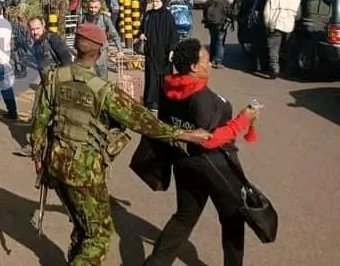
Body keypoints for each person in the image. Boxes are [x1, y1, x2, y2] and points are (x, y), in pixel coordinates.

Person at [30, 24, 210, 265]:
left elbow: (39, 121)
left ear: (75, 47)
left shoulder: (53, 78)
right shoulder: (104, 91)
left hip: (54, 163)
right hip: (85, 172)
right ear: (100, 51)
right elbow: (142, 121)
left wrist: (38, 158)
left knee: (83, 223)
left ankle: (75, 256)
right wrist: (182, 135)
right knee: (99, 236)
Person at [145, 38, 263, 266]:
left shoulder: (169, 86)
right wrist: (243, 119)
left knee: (184, 217)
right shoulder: (203, 98)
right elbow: (210, 139)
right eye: (206, 61)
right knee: (233, 220)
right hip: (217, 165)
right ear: (193, 67)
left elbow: (168, 124)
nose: (209, 65)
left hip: (184, 161)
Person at [14, 16, 74, 157]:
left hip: (58, 85)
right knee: (37, 114)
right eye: (32, 29)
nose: (35, 32)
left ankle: (55, 147)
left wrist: (64, 85)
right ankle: (36, 145)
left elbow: (67, 61)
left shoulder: (53, 39)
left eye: (37, 28)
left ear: (44, 26)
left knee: (57, 117)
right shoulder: (36, 43)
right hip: (45, 84)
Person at [140, 0, 180, 113]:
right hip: (151, 52)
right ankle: (151, 102)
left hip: (164, 53)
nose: (155, 4)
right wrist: (141, 34)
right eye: (153, 2)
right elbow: (142, 29)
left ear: (163, 3)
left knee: (164, 78)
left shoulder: (168, 17)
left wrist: (172, 50)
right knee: (151, 77)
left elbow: (173, 35)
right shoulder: (148, 15)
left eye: (157, 2)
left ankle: (164, 101)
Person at [262, 0, 300, 79]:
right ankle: (287, 69)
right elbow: (298, 16)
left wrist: (268, 25)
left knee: (273, 48)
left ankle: (275, 68)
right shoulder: (296, 0)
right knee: (287, 48)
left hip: (275, 26)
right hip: (289, 27)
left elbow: (266, 14)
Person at [82, 0, 122, 79]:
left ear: (100, 7)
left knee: (102, 77)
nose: (93, 10)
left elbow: (114, 34)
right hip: (87, 53)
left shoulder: (104, 19)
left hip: (101, 52)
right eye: (91, 7)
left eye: (95, 7)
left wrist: (120, 50)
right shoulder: (82, 18)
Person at [203, 0, 234, 68]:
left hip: (211, 25)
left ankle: (211, 59)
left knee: (213, 40)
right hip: (221, 25)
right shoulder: (225, 2)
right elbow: (230, 13)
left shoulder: (208, 2)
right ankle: (218, 61)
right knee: (220, 42)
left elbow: (204, 13)